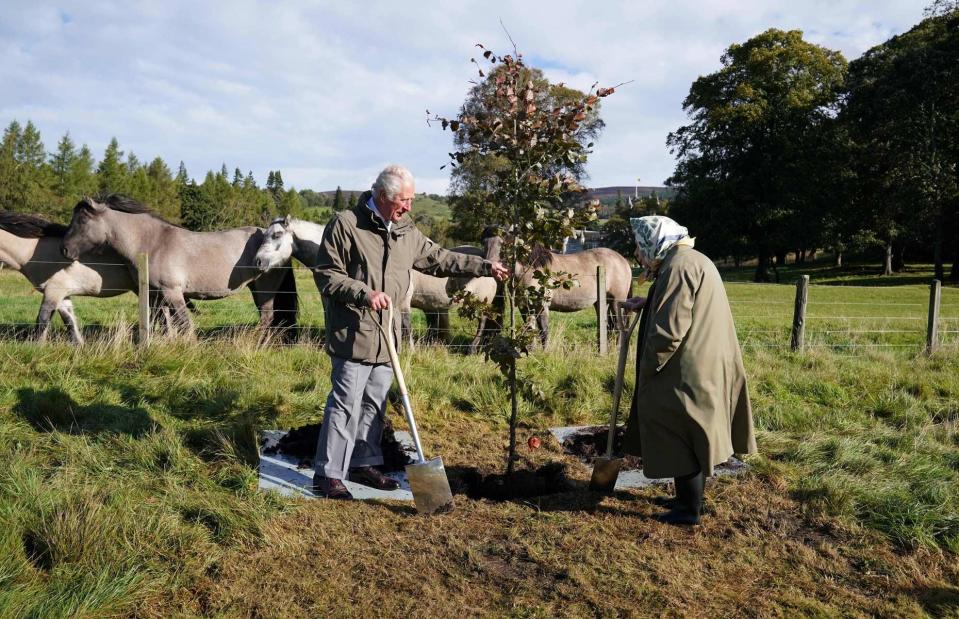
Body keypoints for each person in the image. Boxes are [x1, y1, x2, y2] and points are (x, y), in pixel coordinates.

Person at [311, 164, 509, 499]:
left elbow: (438, 258)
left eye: (412, 200)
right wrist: (364, 293)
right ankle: (328, 475)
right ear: (383, 196)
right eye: (404, 200)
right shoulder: (346, 225)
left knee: (375, 403)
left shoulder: (405, 229)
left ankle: (363, 463)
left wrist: (484, 266)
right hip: (354, 332)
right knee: (345, 403)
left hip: (388, 336)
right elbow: (327, 274)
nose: (409, 207)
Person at [621, 215, 756, 525]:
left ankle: (687, 511)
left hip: (687, 367)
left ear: (656, 242)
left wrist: (648, 366)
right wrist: (649, 300)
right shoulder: (687, 259)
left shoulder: (678, 267)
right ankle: (687, 499)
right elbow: (679, 302)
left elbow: (670, 330)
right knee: (692, 431)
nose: (640, 252)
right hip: (704, 360)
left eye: (642, 246)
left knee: (679, 429)